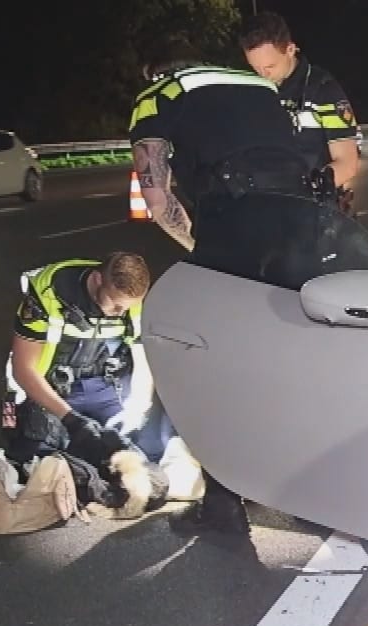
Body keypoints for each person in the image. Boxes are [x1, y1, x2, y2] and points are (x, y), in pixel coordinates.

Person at [129, 50, 323, 533]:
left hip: (235, 210)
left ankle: (223, 500)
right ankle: (316, 490)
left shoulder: (158, 94)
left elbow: (157, 201)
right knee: (293, 350)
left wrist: (202, 247)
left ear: (151, 69)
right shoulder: (255, 83)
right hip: (303, 214)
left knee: (220, 359)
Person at [1, 253, 172, 468]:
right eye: (115, 304)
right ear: (97, 279)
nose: (121, 313)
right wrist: (72, 421)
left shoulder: (129, 303)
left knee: (140, 452)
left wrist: (138, 407)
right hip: (51, 388)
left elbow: (142, 360)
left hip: (106, 385)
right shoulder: (48, 294)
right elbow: (23, 369)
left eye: (127, 308)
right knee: (38, 460)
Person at [237, 11, 358, 207]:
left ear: (291, 49)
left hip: (317, 210)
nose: (263, 76)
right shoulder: (255, 91)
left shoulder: (324, 90)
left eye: (270, 67)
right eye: (256, 69)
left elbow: (347, 163)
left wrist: (304, 190)